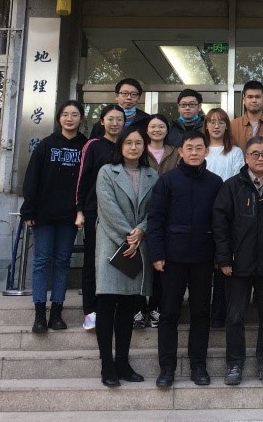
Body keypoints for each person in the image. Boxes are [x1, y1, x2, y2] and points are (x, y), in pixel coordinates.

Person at [212, 136, 263, 387]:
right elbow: (220, 226)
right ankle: (235, 363)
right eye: (255, 153)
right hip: (238, 264)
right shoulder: (231, 186)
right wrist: (224, 258)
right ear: (246, 157)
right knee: (235, 315)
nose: (260, 158)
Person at [147, 131, 223, 388]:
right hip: (172, 258)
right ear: (180, 151)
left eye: (199, 148)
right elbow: (155, 219)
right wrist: (157, 253)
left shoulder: (215, 183)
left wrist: (219, 255)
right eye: (189, 148)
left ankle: (198, 366)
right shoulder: (167, 181)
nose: (194, 152)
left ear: (206, 151)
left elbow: (221, 222)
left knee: (201, 313)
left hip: (204, 257)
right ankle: (167, 368)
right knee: (169, 313)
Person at [93, 127, 157, 387]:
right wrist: (129, 235)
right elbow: (107, 208)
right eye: (128, 142)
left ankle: (123, 362)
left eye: (138, 143)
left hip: (138, 245)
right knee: (107, 305)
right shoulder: (107, 172)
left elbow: (156, 209)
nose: (133, 147)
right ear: (120, 146)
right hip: (112, 243)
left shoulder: (152, 174)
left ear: (144, 147)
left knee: (129, 307)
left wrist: (141, 230)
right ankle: (106, 365)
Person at [20, 99, 87, 334]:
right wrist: (29, 210)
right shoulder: (46, 145)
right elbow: (32, 178)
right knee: (41, 261)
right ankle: (40, 314)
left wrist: (82, 211)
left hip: (70, 215)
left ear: (81, 119)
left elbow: (88, 181)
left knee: (62, 261)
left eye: (75, 114)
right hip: (44, 214)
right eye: (65, 114)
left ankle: (57, 313)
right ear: (59, 118)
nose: (70, 118)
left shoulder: (85, 146)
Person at [75, 104, 125, 331]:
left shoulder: (127, 145)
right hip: (95, 212)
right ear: (102, 121)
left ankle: (113, 308)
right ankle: (90, 310)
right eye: (110, 119)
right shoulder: (93, 145)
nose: (115, 123)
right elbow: (82, 178)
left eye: (119, 119)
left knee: (118, 261)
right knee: (92, 261)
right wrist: (79, 210)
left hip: (121, 213)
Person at [132, 114, 179, 330]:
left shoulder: (175, 152)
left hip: (168, 212)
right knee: (140, 264)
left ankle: (156, 308)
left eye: (161, 126)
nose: (157, 130)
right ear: (147, 130)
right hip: (140, 210)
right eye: (153, 126)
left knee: (161, 264)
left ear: (167, 130)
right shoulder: (140, 150)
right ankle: (138, 309)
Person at [204, 108, 245, 328]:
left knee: (223, 263)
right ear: (206, 125)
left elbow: (238, 181)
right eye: (212, 121)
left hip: (227, 213)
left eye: (221, 122)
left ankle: (220, 313)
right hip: (202, 213)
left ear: (227, 126)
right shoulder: (201, 149)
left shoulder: (235, 152)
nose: (216, 126)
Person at [229, 80, 263, 150]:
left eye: (257, 97)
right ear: (244, 100)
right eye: (250, 97)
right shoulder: (233, 126)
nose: (254, 100)